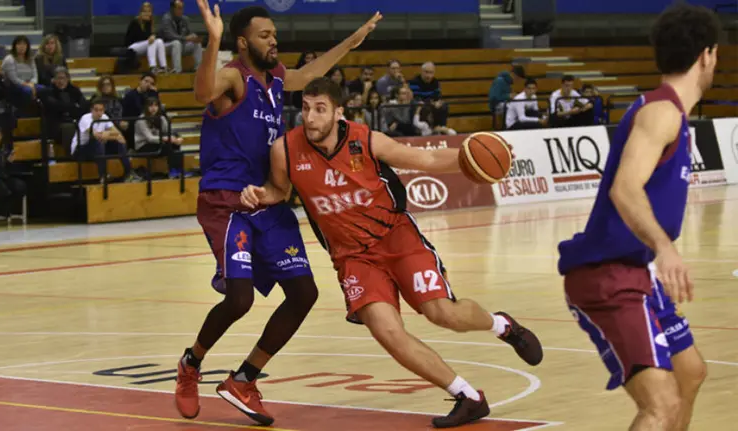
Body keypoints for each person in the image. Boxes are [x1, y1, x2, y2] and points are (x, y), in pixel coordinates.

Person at [240, 77, 543, 429]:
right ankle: (467, 396)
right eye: (306, 108)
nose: (310, 117)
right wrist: (260, 195)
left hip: (397, 239)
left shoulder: (367, 140)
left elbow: (427, 158)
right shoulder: (286, 150)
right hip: (353, 257)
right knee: (387, 332)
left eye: (320, 109)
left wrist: (474, 158)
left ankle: (503, 326)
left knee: (443, 313)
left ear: (338, 113)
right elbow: (279, 189)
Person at [174, 1, 380, 425]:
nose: (274, 40)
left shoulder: (275, 80)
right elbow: (202, 92)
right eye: (265, 35)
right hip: (228, 201)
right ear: (243, 42)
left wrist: (352, 41)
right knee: (239, 299)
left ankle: (243, 379)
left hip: (268, 199)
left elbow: (308, 74)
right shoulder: (233, 76)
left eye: (274, 34)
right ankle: (191, 363)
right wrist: (212, 40)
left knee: (304, 293)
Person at [557, 4, 719, 430]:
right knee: (660, 405)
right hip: (608, 275)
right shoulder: (661, 112)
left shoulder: (670, 112)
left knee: (690, 373)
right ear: (707, 55)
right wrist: (665, 247)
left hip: (636, 270)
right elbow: (625, 188)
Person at [71, 98, 139, 184]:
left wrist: (109, 134)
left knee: (120, 142)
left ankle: (128, 173)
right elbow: (96, 135)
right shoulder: (85, 118)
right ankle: (103, 176)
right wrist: (111, 136)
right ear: (91, 110)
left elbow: (118, 133)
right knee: (99, 142)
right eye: (96, 110)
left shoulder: (104, 117)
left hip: (97, 149)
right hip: (80, 150)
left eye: (101, 110)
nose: (99, 113)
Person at [159, 0, 202, 74]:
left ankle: (199, 69)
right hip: (166, 46)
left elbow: (188, 33)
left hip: (181, 45)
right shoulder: (166, 18)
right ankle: (177, 71)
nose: (181, 10)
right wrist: (185, 38)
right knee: (176, 43)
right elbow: (170, 36)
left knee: (196, 43)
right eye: (179, 8)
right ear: (172, 9)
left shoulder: (185, 19)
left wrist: (193, 37)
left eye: (182, 8)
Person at [126, 2, 168, 74]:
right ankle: (152, 67)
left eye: (149, 12)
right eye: (144, 11)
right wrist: (152, 37)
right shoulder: (135, 22)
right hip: (132, 47)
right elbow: (138, 38)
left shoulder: (150, 22)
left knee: (159, 41)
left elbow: (157, 35)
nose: (147, 13)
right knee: (152, 41)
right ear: (140, 13)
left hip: (145, 45)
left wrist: (154, 36)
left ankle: (163, 67)